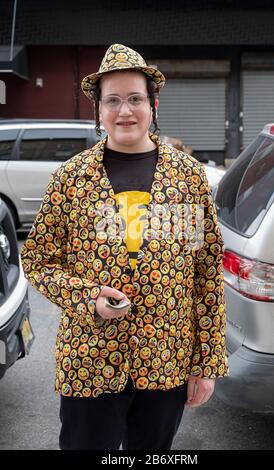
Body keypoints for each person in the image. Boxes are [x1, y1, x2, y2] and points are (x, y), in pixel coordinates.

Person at [20, 43, 229, 451]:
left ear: (153, 104)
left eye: (135, 98)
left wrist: (207, 364)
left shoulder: (187, 177)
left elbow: (206, 274)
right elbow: (39, 260)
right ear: (99, 110)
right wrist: (88, 295)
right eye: (112, 100)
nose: (124, 111)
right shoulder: (71, 179)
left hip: (165, 361)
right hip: (90, 359)